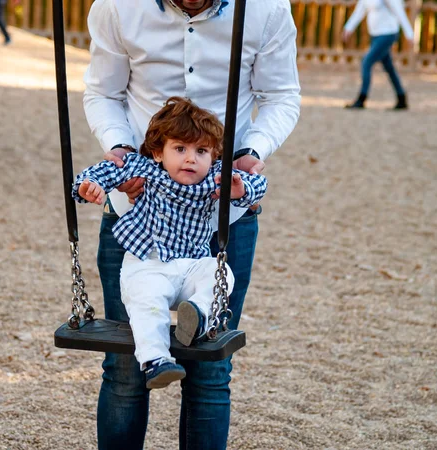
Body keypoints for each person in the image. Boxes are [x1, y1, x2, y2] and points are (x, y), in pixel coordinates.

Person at [83, 0, 300, 448]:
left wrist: (252, 153)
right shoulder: (117, 7)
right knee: (124, 367)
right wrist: (120, 148)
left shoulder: (267, 10)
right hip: (138, 210)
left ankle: (197, 312)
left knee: (210, 366)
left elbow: (281, 95)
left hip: (224, 214)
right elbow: (103, 92)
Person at [72, 97, 268, 389]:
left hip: (191, 266)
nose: (191, 159)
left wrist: (240, 190)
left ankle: (198, 317)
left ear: (213, 156)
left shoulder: (215, 176)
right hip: (148, 263)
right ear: (157, 153)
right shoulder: (143, 168)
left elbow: (257, 184)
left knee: (221, 273)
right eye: (180, 149)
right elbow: (102, 171)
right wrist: (89, 186)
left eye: (201, 151)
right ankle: (156, 360)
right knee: (146, 302)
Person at [342, 0, 414, 110]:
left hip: (388, 34)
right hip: (375, 35)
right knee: (389, 67)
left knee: (366, 62)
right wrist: (348, 28)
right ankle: (401, 98)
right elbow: (360, 11)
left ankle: (361, 98)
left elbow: (399, 11)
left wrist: (409, 33)